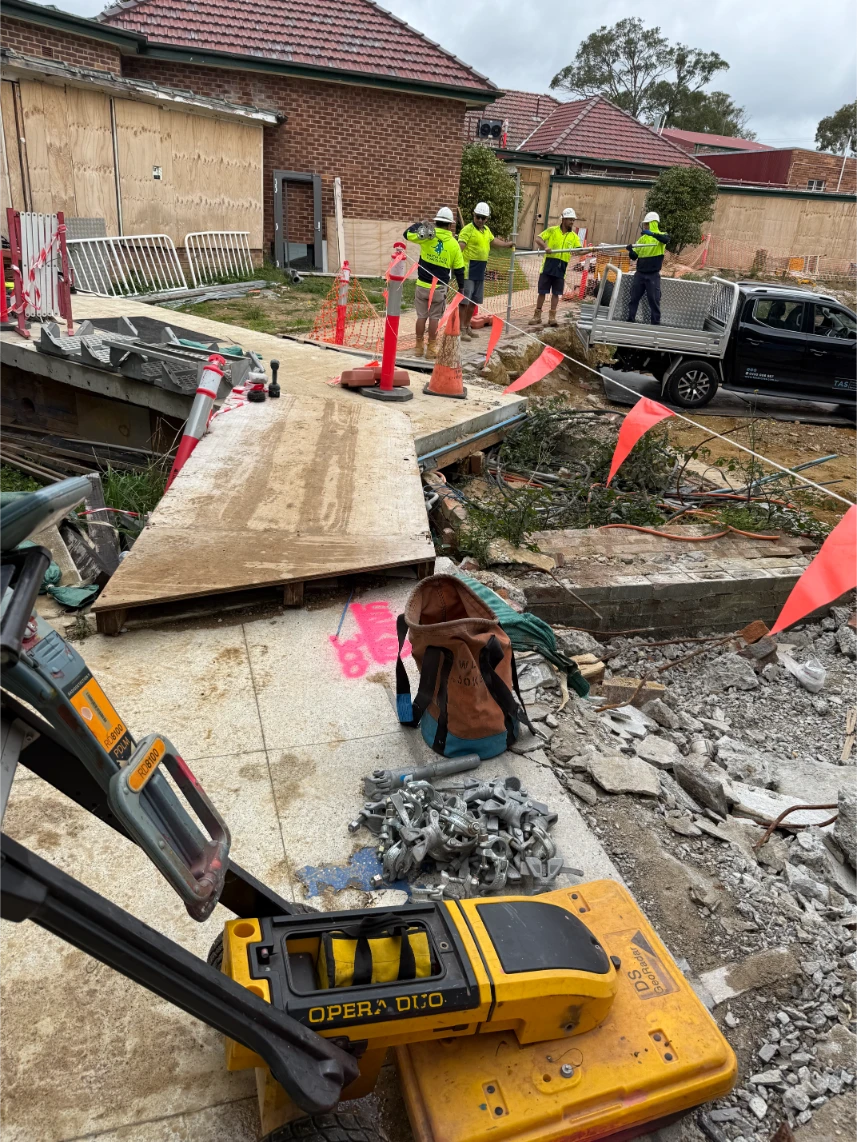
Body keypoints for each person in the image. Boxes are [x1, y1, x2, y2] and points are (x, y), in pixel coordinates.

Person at [404, 207, 465, 359]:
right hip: (439, 288)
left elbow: (407, 234)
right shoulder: (453, 244)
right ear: (450, 225)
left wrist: (420, 225)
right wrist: (462, 287)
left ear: (436, 222)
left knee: (421, 316)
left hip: (422, 285)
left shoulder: (427, 236)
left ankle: (418, 347)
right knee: (434, 318)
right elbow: (459, 269)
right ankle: (431, 349)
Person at [457, 202, 513, 340]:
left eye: (483, 218)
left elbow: (493, 241)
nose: (480, 220)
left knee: (474, 302)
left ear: (487, 218)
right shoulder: (467, 230)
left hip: (480, 270)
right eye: (478, 217)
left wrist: (507, 245)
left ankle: (467, 326)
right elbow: (459, 248)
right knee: (464, 301)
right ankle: (461, 329)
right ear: (473, 215)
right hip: (468, 271)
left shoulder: (486, 230)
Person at [528, 207, 582, 327]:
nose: (572, 222)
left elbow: (579, 250)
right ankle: (537, 316)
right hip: (548, 266)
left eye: (573, 220)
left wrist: (589, 250)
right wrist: (545, 247)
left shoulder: (574, 237)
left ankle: (552, 317)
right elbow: (538, 238)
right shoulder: (552, 231)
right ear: (563, 219)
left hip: (561, 268)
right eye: (570, 220)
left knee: (556, 293)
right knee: (542, 292)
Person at [626, 211, 671, 325]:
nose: (645, 226)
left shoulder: (661, 236)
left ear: (652, 223)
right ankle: (630, 320)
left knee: (654, 299)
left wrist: (652, 234)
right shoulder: (642, 239)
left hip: (653, 275)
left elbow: (666, 239)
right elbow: (634, 256)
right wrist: (631, 250)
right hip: (640, 274)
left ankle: (655, 323)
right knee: (634, 298)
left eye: (646, 224)